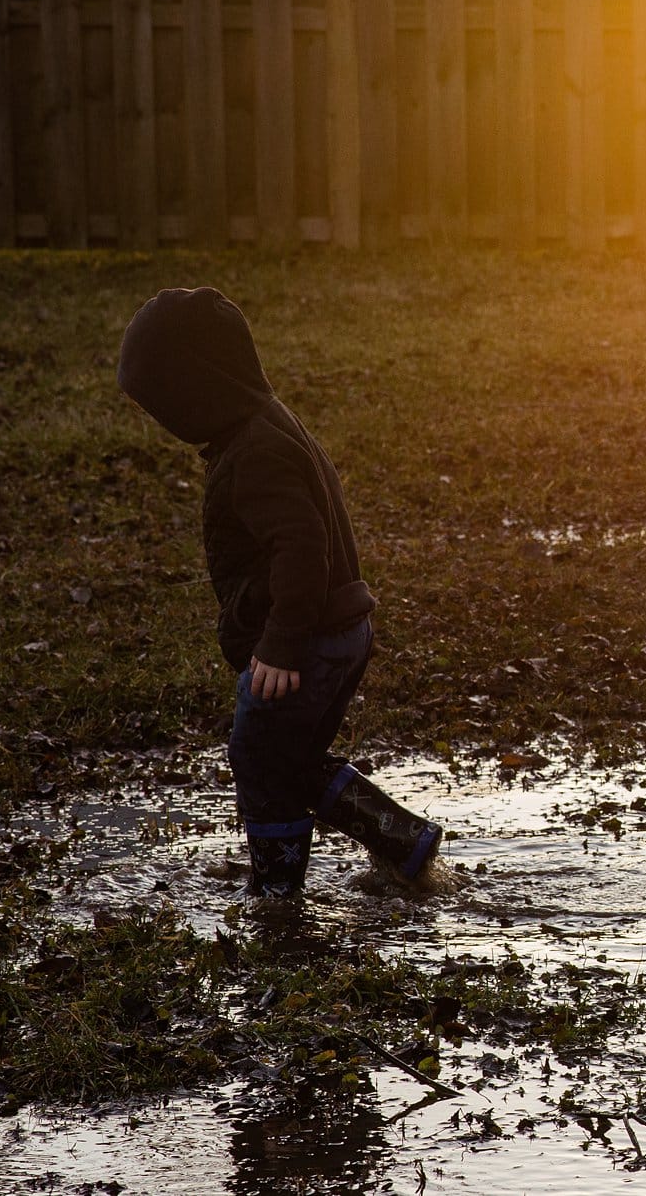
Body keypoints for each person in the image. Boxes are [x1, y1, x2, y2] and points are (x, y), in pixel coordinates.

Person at [118, 287, 443, 898]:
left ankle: (277, 894)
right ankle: (403, 842)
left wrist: (282, 644)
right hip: (338, 629)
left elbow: (301, 546)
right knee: (292, 760)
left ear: (198, 387)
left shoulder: (256, 451)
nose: (163, 421)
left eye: (164, 403)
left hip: (305, 641)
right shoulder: (266, 424)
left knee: (260, 758)